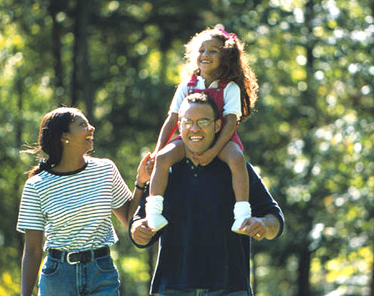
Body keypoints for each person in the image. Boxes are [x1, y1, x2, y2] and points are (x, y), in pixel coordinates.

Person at [130, 93, 284, 295]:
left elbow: (275, 219)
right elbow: (140, 224)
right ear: (179, 125)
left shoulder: (238, 170)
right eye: (187, 122)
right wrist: (137, 231)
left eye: (203, 121)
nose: (194, 129)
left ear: (217, 126)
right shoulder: (163, 173)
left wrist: (264, 225)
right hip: (172, 288)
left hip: (230, 288)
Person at [16, 107, 151, 296]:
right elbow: (32, 250)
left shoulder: (105, 170)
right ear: (64, 136)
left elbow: (130, 219)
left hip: (101, 273)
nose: (92, 128)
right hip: (58, 278)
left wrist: (140, 182)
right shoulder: (36, 185)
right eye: (83, 125)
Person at [146, 26, 260, 234]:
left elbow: (229, 123)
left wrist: (213, 151)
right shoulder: (186, 86)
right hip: (188, 139)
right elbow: (172, 119)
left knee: (236, 159)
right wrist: (157, 151)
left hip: (223, 140)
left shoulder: (230, 88)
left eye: (213, 51)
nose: (205, 55)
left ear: (225, 57)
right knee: (163, 158)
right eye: (201, 50)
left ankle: (242, 214)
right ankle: (153, 211)